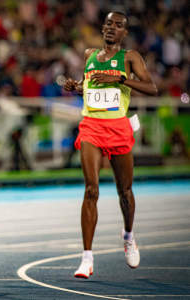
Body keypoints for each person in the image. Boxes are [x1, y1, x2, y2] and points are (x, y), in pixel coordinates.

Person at [63, 12, 158, 279]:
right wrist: (77, 87)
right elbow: (91, 85)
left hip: (118, 127)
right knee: (91, 188)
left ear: (125, 33)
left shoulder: (130, 58)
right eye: (108, 24)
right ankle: (87, 259)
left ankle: (128, 235)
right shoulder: (89, 54)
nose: (111, 28)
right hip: (91, 126)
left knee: (124, 191)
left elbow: (152, 88)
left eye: (118, 25)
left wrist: (120, 79)